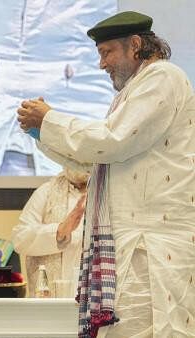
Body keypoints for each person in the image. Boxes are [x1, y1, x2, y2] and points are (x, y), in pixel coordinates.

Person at [17, 11, 195, 337]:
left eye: (106, 52)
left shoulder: (162, 78)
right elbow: (95, 163)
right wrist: (39, 132)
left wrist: (51, 120)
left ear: (136, 44)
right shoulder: (131, 93)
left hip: (151, 252)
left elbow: (112, 142)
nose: (102, 64)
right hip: (135, 249)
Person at [11, 168, 88, 297]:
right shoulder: (47, 191)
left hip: (94, 299)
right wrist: (59, 231)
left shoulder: (108, 194)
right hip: (51, 299)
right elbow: (20, 238)